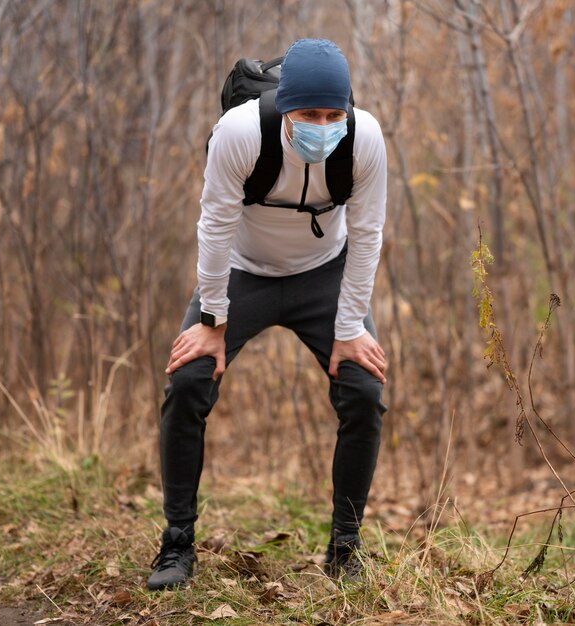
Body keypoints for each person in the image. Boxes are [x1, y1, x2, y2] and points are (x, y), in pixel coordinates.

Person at [147, 38, 387, 590]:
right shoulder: (238, 132)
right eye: (308, 114)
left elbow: (369, 235)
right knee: (187, 382)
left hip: (324, 274)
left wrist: (349, 330)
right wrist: (212, 321)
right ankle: (177, 544)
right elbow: (214, 226)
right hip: (242, 271)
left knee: (364, 390)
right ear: (284, 106)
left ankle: (345, 549)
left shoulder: (365, 137)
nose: (322, 125)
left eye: (333, 115)